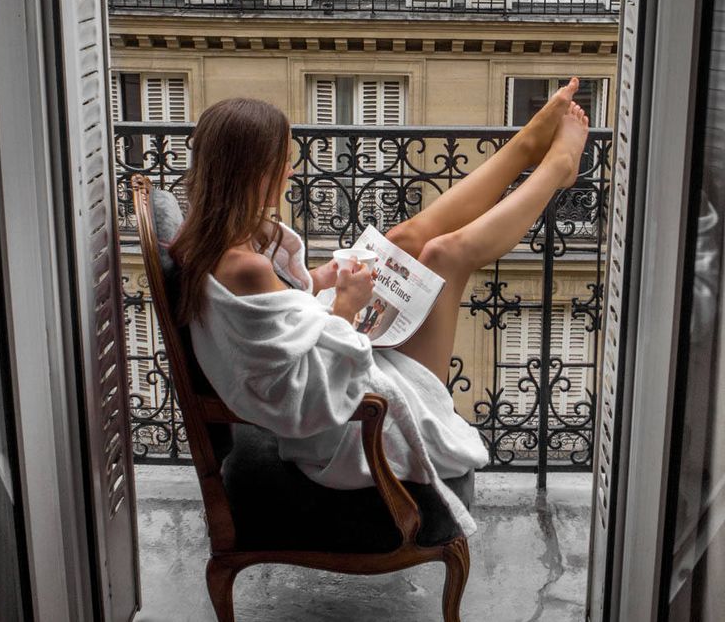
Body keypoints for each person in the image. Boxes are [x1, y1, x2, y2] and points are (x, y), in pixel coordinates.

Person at [169, 79, 589, 531]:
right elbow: (302, 396)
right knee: (445, 255)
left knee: (403, 239)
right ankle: (558, 167)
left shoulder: (203, 242)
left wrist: (322, 282)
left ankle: (526, 148)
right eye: (281, 164)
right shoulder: (244, 266)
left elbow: (269, 334)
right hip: (348, 435)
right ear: (250, 174)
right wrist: (347, 308)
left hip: (341, 397)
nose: (290, 173)